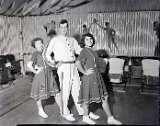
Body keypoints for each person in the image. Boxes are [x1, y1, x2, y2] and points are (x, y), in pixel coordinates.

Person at [75, 33, 122, 125]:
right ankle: (85, 117)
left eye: (91, 39)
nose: (90, 41)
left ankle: (109, 118)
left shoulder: (91, 50)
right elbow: (77, 63)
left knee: (104, 96)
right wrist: (85, 72)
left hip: (97, 76)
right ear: (83, 42)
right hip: (89, 78)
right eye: (87, 39)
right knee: (87, 98)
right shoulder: (84, 50)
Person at [45, 19, 85, 122]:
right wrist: (54, 63)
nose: (64, 29)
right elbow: (47, 54)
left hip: (74, 66)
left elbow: (79, 51)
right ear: (59, 28)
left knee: (78, 89)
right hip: (63, 68)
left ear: (68, 28)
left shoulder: (72, 40)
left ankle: (82, 111)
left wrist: (88, 52)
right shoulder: (55, 40)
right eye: (62, 27)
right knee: (65, 90)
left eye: (65, 27)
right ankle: (64, 112)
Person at [27, 37, 61, 118]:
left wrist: (56, 65)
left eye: (41, 42)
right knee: (39, 94)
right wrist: (35, 71)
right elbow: (29, 65)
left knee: (57, 93)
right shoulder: (36, 53)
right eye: (38, 43)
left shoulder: (46, 53)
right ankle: (40, 110)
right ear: (34, 46)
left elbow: (50, 63)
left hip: (49, 75)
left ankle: (62, 109)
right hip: (41, 77)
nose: (40, 44)